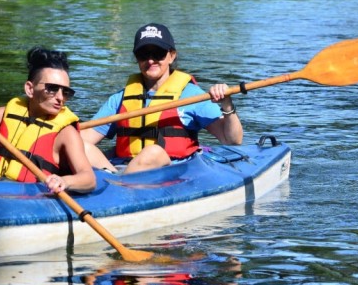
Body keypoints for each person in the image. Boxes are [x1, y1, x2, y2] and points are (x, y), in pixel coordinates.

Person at [81, 23, 243, 174]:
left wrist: (227, 104)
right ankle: (115, 184)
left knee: (152, 152)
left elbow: (232, 140)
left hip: (168, 172)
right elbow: (84, 138)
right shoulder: (120, 99)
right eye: (143, 54)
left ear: (171, 56)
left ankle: (120, 187)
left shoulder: (192, 96)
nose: (150, 60)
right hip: (120, 169)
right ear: (136, 58)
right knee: (79, 146)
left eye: (158, 54)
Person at [0, 46, 96, 194]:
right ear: (30, 89)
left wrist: (65, 181)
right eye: (52, 88)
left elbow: (88, 178)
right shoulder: (4, 114)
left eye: (66, 91)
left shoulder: (66, 133)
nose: (60, 98)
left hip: (29, 199)